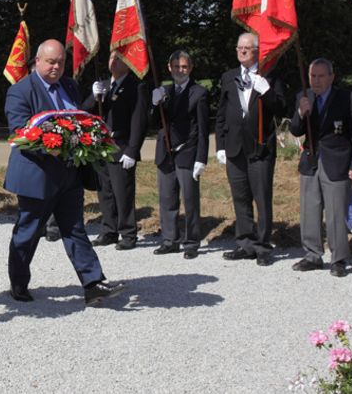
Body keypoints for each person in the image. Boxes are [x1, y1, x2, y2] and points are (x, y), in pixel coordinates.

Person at [5, 39, 125, 305]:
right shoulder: (20, 91)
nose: (56, 67)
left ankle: (93, 283)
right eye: (51, 62)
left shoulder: (69, 85)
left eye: (60, 62)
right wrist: (51, 146)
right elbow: (17, 132)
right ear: (37, 61)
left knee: (75, 229)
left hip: (70, 174)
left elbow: (78, 119)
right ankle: (18, 282)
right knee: (28, 232)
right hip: (37, 175)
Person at [214, 32, 286, 266]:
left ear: (257, 51)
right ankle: (245, 242)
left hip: (260, 146)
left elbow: (282, 108)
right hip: (234, 147)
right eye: (239, 48)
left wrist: (267, 91)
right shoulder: (228, 77)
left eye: (248, 48)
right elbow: (222, 114)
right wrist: (220, 145)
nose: (242, 51)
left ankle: (263, 246)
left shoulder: (270, 76)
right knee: (240, 197)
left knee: (262, 197)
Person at [288, 58, 352, 277]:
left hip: (337, 161)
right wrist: (301, 113)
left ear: (331, 77)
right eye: (313, 76)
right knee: (309, 211)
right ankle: (312, 255)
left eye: (321, 76)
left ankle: (338, 258)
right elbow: (295, 130)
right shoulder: (303, 96)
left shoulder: (347, 98)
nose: (316, 81)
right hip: (311, 162)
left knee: (335, 212)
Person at [85, 50, 149, 250]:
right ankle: (109, 230)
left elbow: (139, 121)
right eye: (112, 57)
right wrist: (94, 98)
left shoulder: (136, 87)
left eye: (119, 58)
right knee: (105, 193)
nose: (114, 61)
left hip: (121, 147)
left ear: (129, 63)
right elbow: (84, 111)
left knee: (123, 193)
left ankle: (128, 233)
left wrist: (132, 149)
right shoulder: (103, 86)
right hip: (101, 147)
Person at [149, 51, 209, 259]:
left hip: (187, 151)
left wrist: (201, 158)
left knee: (190, 199)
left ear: (190, 68)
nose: (180, 70)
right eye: (176, 67)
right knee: (167, 198)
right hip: (165, 152)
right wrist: (155, 105)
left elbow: (203, 128)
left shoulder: (198, 93)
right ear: (169, 68)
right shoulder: (164, 90)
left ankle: (191, 241)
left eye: (184, 67)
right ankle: (169, 240)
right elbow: (154, 122)